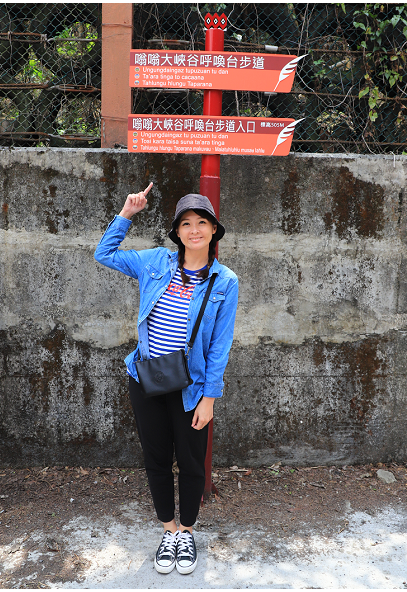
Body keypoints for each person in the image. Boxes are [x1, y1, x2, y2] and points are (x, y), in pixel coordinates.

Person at [94, 183, 238, 574]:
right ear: (177, 232)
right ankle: (168, 531)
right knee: (156, 459)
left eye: (202, 223)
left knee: (191, 462)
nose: (194, 230)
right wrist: (127, 213)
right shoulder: (155, 262)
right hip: (146, 381)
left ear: (213, 231)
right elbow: (103, 254)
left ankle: (187, 532)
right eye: (186, 223)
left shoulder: (225, 282)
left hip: (191, 389)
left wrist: (210, 398)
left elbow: (220, 347)